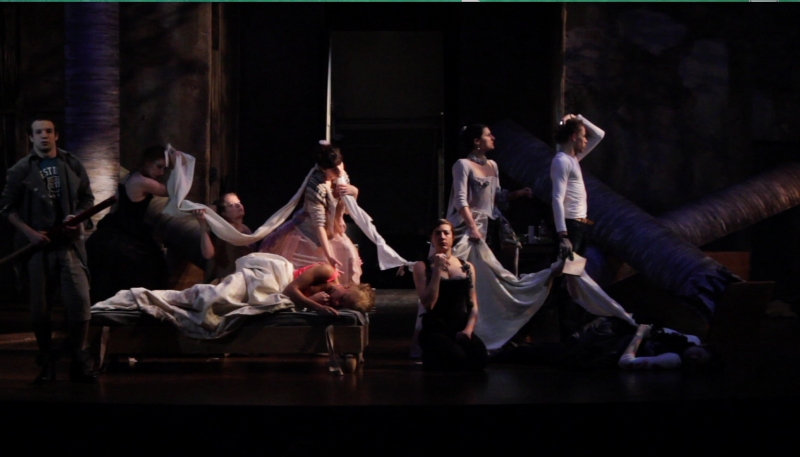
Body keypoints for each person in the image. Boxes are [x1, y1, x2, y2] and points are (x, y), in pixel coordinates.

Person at [0, 117, 97, 383]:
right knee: (39, 310)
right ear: (31, 137)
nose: (44, 135)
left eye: (49, 131)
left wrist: (77, 219)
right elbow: (7, 208)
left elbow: (87, 198)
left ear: (56, 135)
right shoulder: (21, 169)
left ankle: (78, 356)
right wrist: (29, 233)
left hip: (68, 245)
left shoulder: (71, 163)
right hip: (37, 249)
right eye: (38, 132)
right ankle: (46, 358)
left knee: (80, 300)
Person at [259, 141, 362, 286]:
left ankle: (343, 294)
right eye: (333, 169)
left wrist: (354, 192)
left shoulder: (341, 177)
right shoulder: (316, 186)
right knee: (319, 269)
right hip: (310, 234)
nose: (339, 172)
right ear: (323, 168)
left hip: (333, 230)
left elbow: (348, 210)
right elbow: (318, 224)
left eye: (340, 165)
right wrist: (329, 255)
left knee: (348, 256)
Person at [86, 145, 173, 303]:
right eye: (159, 167)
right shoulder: (142, 181)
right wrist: (181, 164)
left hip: (115, 228)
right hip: (126, 233)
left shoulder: (131, 176)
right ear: (147, 162)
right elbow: (172, 191)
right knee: (147, 269)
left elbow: (115, 207)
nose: (161, 173)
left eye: (164, 169)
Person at [412, 219, 488, 372]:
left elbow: (473, 305)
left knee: (480, 358)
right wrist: (437, 270)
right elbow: (428, 304)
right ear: (431, 238)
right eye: (437, 233)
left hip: (459, 327)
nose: (442, 237)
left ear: (453, 237)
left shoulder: (466, 267)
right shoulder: (422, 266)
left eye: (446, 233)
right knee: (457, 359)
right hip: (435, 328)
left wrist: (468, 330)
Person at [448, 124, 532, 254]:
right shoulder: (463, 164)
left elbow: (497, 197)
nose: (493, 138)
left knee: (506, 254)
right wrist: (472, 227)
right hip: (472, 223)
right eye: (488, 135)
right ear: (477, 141)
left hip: (493, 224)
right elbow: (460, 199)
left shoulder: (492, 165)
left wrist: (518, 193)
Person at [550, 114, 605, 259]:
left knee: (575, 269)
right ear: (574, 137)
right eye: (584, 136)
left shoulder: (573, 159)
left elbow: (599, 135)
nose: (586, 140)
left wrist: (577, 117)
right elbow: (557, 198)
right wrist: (563, 234)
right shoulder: (561, 161)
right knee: (565, 269)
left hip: (582, 223)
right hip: (571, 225)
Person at [193, 192, 255, 283]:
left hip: (244, 278)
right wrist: (203, 225)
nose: (238, 205)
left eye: (238, 202)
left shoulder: (246, 229)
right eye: (231, 205)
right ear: (224, 213)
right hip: (225, 280)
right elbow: (208, 254)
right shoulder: (221, 231)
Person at [282, 262, 375, 316]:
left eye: (341, 306)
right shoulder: (327, 272)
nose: (336, 303)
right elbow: (289, 290)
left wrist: (311, 301)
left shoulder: (328, 304)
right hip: (281, 277)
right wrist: (316, 306)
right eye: (342, 298)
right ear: (348, 286)